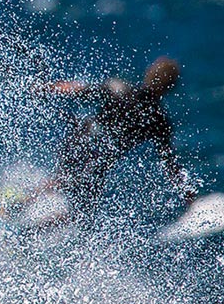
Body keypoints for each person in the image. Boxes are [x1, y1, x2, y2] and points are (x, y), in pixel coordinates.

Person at [32, 57, 197, 223]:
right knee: (79, 211)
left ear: (148, 74)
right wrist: (190, 198)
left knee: (62, 183)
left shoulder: (119, 88)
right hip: (96, 158)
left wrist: (44, 88)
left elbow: (78, 89)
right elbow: (171, 165)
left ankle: (18, 206)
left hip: (80, 143)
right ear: (171, 87)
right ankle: (25, 225)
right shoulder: (158, 120)